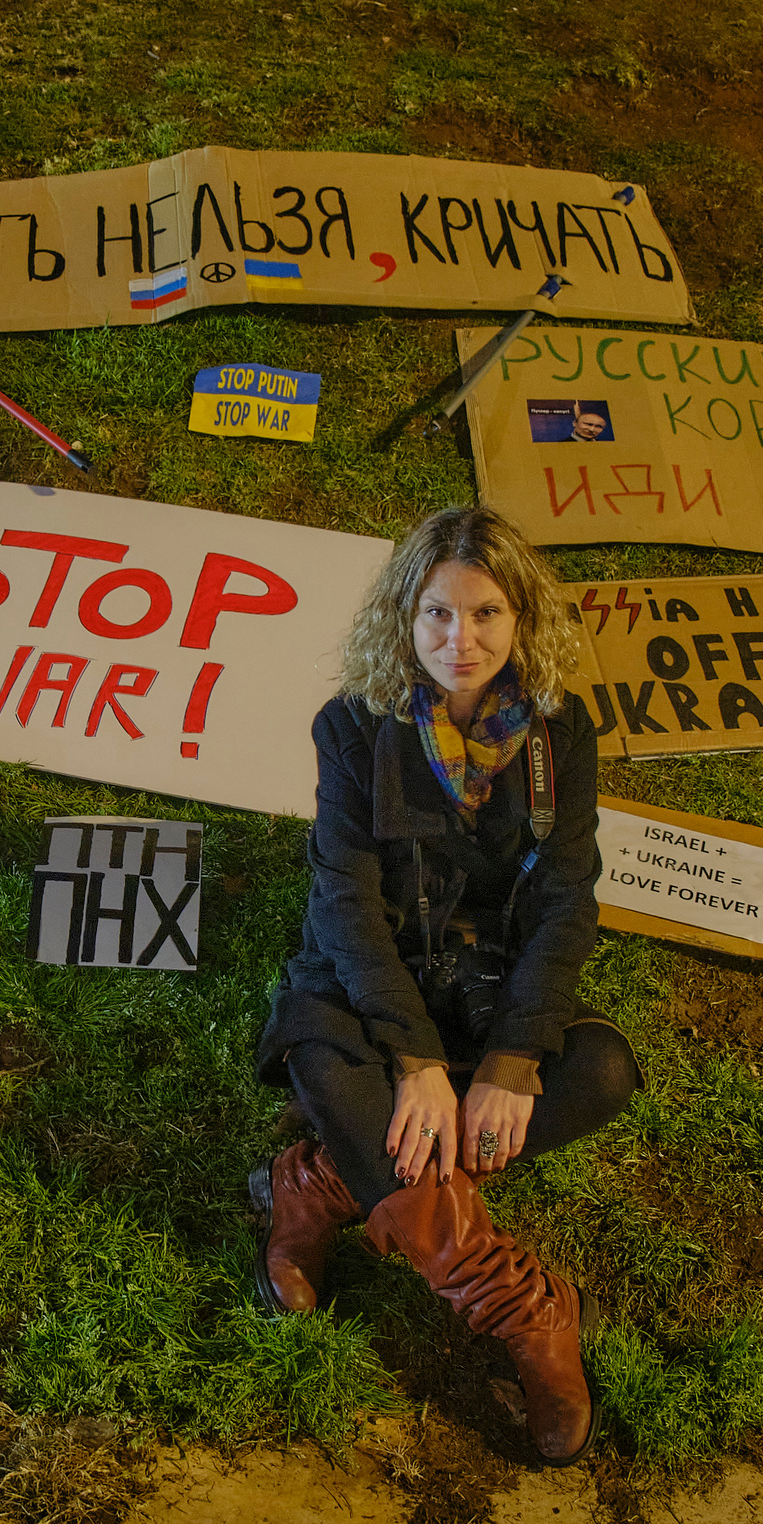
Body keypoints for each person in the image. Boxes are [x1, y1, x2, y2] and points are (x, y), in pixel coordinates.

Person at [248, 506, 640, 1469]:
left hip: (484, 977)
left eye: (485, 614)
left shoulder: (561, 733)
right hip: (367, 971)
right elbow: (344, 903)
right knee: (327, 1071)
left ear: (522, 621)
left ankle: (321, 1184)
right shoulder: (352, 726)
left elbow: (566, 902)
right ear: (403, 618)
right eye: (435, 615)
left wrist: (507, 1060)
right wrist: (418, 1061)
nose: (458, 641)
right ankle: (522, 1310)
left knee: (601, 1071)